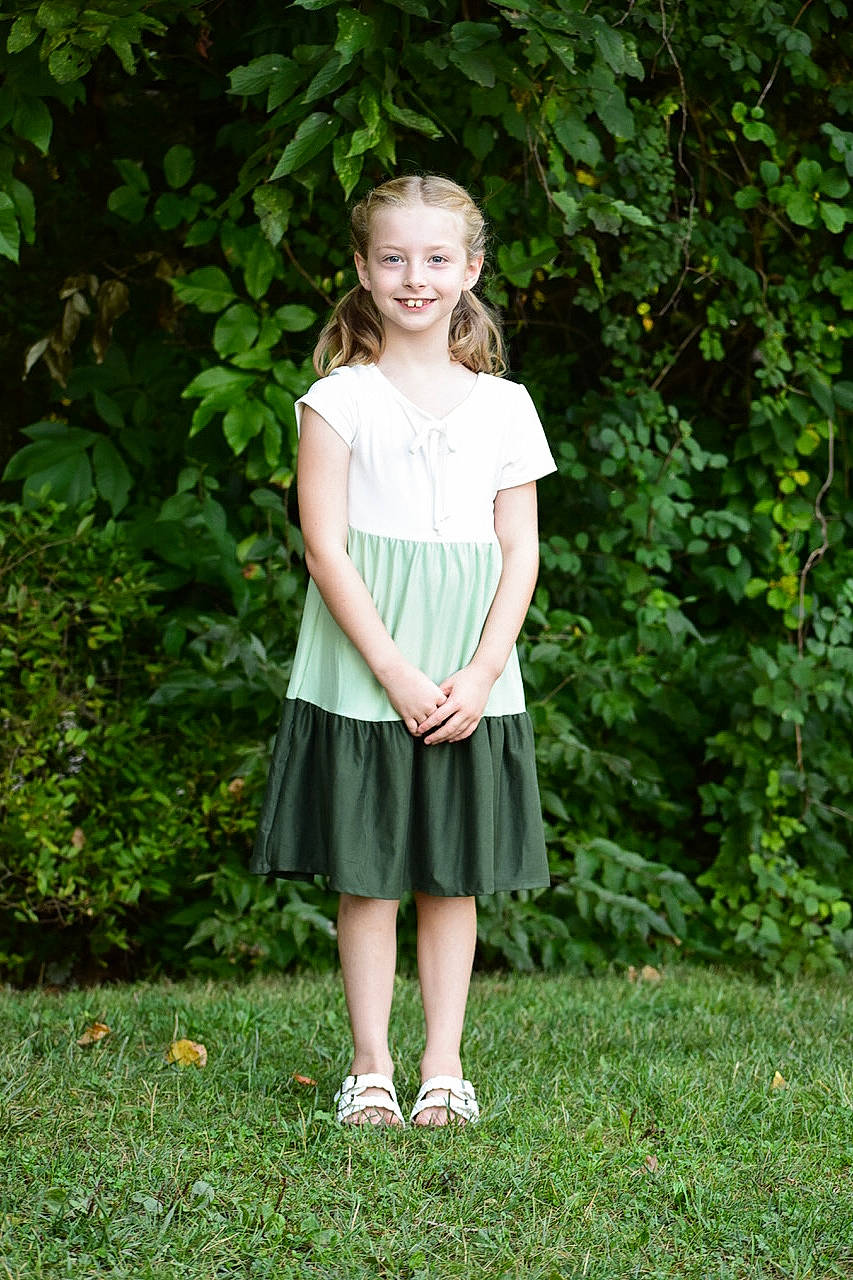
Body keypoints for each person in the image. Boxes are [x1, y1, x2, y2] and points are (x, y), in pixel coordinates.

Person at [250, 174, 556, 1127]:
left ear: (470, 270)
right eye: (393, 258)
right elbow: (325, 544)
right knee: (370, 872)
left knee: (449, 874)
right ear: (361, 269)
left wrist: (480, 670)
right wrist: (391, 667)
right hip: (365, 668)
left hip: (470, 668)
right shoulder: (338, 399)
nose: (413, 278)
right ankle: (371, 1069)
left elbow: (520, 549)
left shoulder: (505, 407)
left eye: (435, 259)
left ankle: (443, 1069)